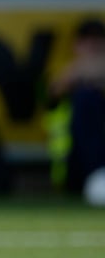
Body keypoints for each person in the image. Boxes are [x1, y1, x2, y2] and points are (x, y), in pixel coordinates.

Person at [45, 18, 105, 195]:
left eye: (98, 40)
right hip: (72, 165)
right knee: (86, 97)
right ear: (76, 45)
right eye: (87, 41)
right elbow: (54, 93)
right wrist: (83, 72)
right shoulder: (65, 73)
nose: (93, 46)